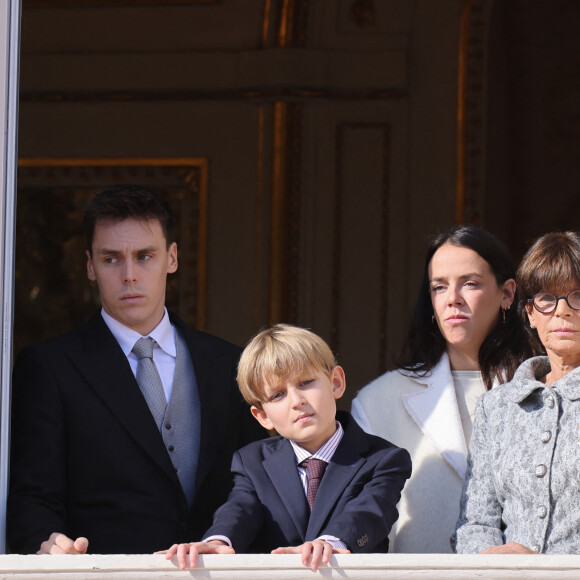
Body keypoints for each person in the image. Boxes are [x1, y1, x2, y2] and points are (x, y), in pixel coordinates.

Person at [7, 184, 265, 555]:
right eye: (111, 259)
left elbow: (259, 484)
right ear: (89, 266)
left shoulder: (229, 364)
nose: (129, 274)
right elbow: (32, 495)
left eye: (145, 256)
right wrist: (45, 545)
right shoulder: (50, 367)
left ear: (172, 258)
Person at [158, 324, 412, 571]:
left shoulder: (384, 459)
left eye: (306, 383)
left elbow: (370, 512)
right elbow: (239, 510)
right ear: (262, 416)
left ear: (335, 382)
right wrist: (218, 541)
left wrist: (330, 543)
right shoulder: (252, 461)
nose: (297, 401)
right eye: (278, 395)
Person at [351, 225, 532, 553]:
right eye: (439, 287)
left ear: (507, 294)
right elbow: (357, 522)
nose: (453, 300)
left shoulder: (546, 389)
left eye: (470, 284)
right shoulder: (378, 401)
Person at [454, 231, 580, 554]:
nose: (563, 311)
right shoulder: (496, 408)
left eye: (578, 296)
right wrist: (495, 562)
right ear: (530, 313)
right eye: (547, 299)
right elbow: (475, 523)